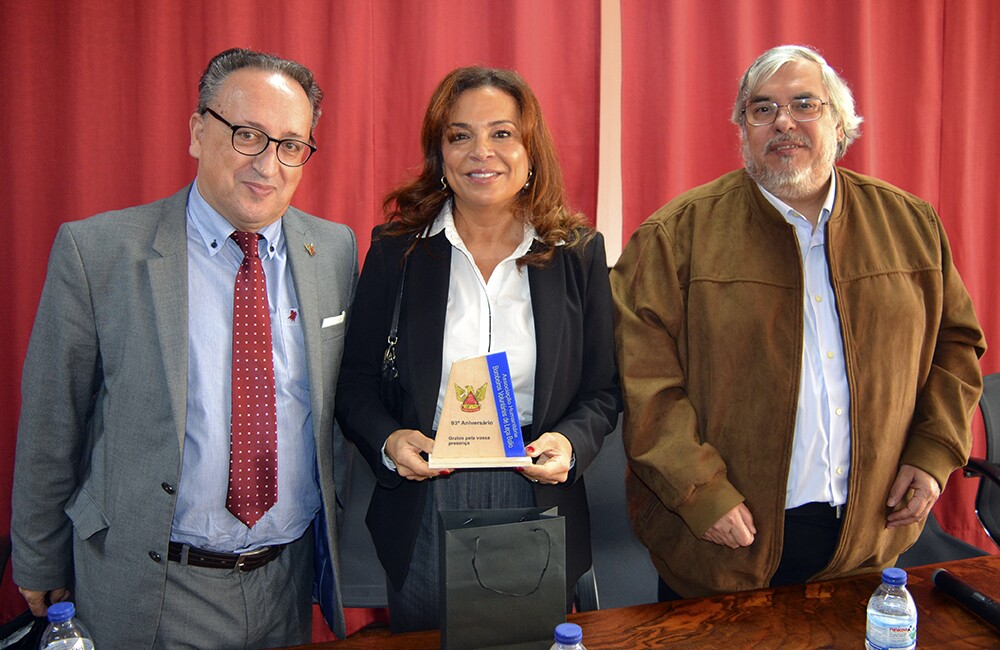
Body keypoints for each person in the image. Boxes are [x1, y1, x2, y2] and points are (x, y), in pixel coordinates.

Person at [611, 44, 986, 600]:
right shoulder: (673, 237)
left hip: (870, 540)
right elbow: (644, 384)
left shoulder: (911, 225)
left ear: (839, 122)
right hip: (724, 544)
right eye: (762, 109)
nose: (783, 121)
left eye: (804, 104)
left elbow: (955, 346)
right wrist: (701, 493)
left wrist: (934, 453)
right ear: (743, 129)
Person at [12, 48, 358, 648]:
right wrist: (39, 557)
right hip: (154, 585)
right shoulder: (99, 253)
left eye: (290, 144)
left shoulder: (332, 250)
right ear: (198, 132)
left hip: (288, 579)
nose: (268, 164)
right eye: (247, 135)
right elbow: (52, 420)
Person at [335, 66, 620, 632]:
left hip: (534, 490)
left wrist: (569, 443)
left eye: (502, 133)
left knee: (526, 644)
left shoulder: (577, 254)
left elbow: (602, 391)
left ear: (530, 150)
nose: (480, 152)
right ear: (439, 155)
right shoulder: (397, 252)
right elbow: (355, 382)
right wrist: (389, 440)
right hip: (426, 496)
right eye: (460, 135)